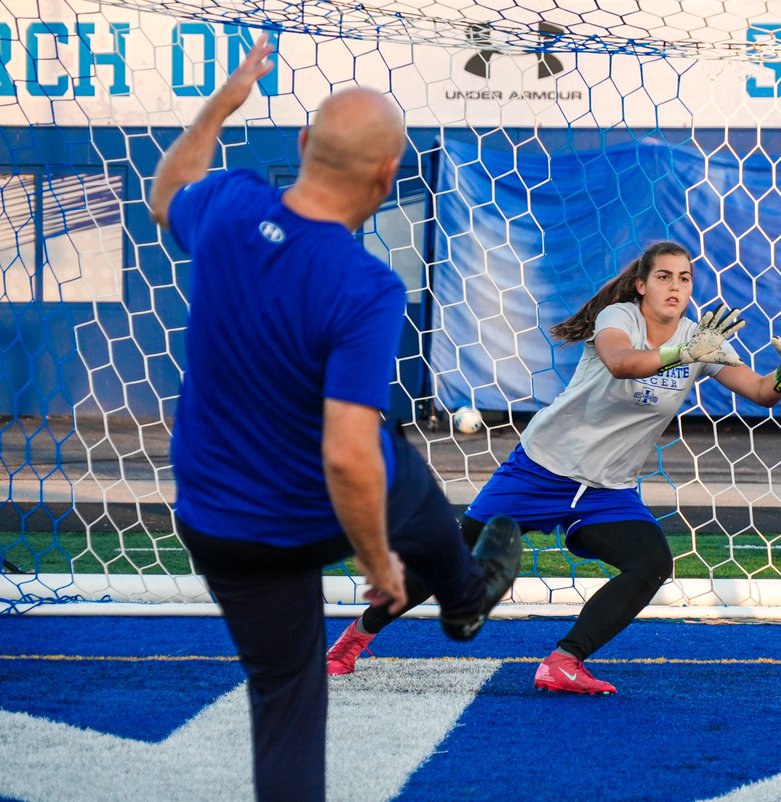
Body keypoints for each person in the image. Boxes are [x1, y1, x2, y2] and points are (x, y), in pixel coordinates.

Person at [148, 34, 521, 800]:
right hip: (303, 519)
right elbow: (347, 456)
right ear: (388, 178)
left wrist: (219, 108)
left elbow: (164, 195)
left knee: (286, 703)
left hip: (214, 525)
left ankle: (460, 593)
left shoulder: (228, 207)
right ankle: (464, 597)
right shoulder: (364, 287)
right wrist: (379, 562)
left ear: (304, 141)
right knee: (394, 461)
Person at [326, 240, 781, 694]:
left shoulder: (699, 338)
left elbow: (761, 391)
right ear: (640, 286)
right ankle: (349, 645)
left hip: (607, 490)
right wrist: (682, 354)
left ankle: (563, 662)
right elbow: (622, 363)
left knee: (651, 563)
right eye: (664, 277)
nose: (675, 286)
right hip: (541, 468)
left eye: (684, 278)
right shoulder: (620, 318)